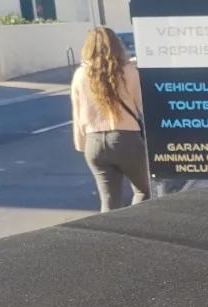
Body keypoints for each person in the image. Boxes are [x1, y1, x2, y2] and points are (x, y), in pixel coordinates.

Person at [71, 27, 149, 212]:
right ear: (117, 45)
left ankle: (110, 230)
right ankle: (134, 225)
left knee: (109, 200)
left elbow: (77, 114)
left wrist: (81, 144)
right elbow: (142, 105)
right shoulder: (128, 72)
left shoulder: (80, 75)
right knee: (144, 191)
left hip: (94, 143)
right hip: (126, 139)